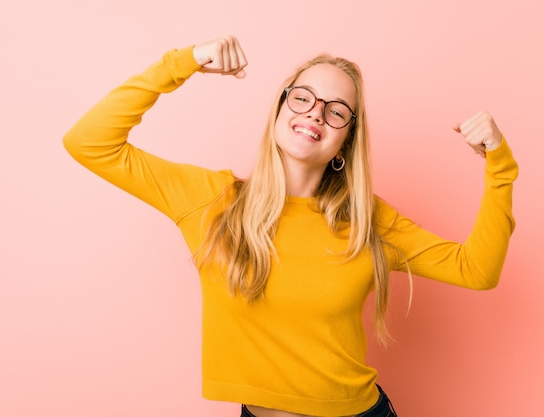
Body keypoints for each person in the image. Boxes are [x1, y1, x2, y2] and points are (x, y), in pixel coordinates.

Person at [63, 35, 518, 417]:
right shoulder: (210, 201)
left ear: (346, 139)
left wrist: (499, 167)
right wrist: (184, 62)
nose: (316, 113)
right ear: (280, 108)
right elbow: (89, 142)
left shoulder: (366, 221)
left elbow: (477, 270)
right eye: (303, 97)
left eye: (337, 110)